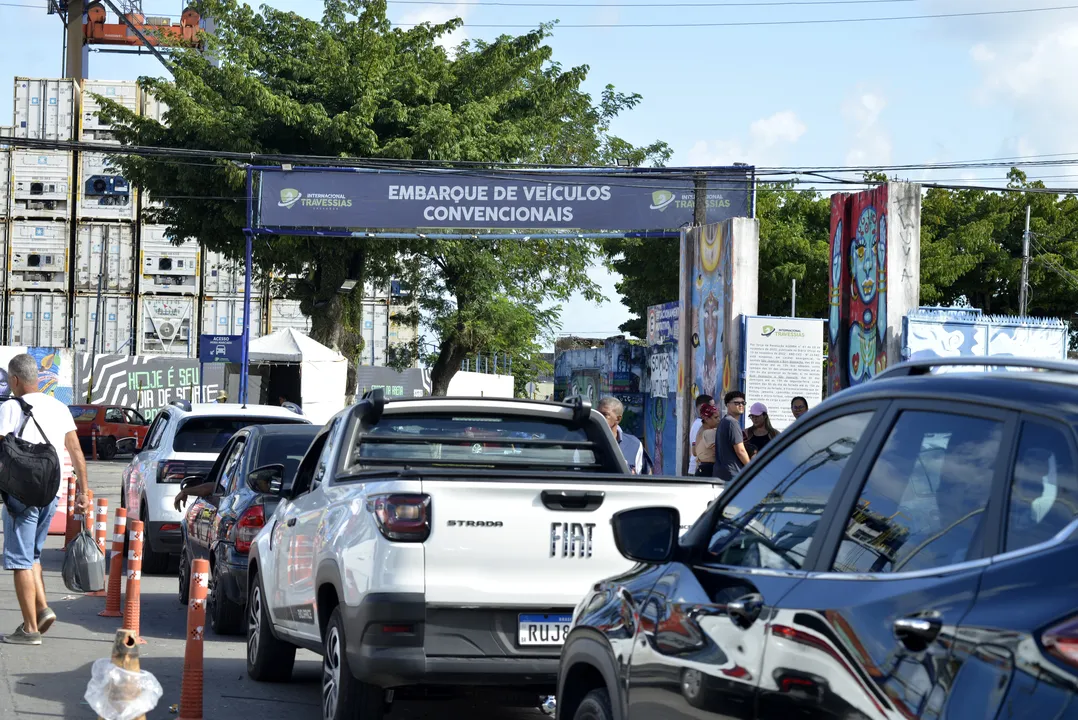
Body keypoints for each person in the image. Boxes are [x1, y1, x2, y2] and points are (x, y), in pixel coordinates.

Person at [0, 354, 89, 645]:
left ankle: (29, 629)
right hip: (51, 492)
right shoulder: (59, 407)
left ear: (14, 380)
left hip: (20, 495)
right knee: (33, 556)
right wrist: (83, 492)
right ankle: (41, 609)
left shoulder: (11, 407)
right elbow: (76, 452)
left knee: (20, 561)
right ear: (36, 378)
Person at [598, 396, 644, 474]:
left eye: (605, 415)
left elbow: (644, 475)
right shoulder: (587, 440)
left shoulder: (634, 445)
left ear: (618, 419)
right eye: (598, 414)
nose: (600, 418)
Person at [713, 391, 750, 482]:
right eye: (737, 403)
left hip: (722, 473)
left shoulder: (724, 421)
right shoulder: (732, 423)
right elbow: (740, 451)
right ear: (728, 405)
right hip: (733, 474)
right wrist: (751, 468)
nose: (741, 405)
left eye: (743, 403)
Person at [688, 394, 714, 476]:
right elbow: (695, 450)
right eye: (711, 406)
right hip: (697, 469)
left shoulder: (700, 423)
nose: (714, 409)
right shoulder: (700, 425)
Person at [693, 403, 720, 476]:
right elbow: (720, 452)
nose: (718, 420)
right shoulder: (708, 432)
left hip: (702, 468)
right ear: (707, 419)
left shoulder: (700, 430)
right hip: (708, 470)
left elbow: (693, 452)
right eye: (716, 417)